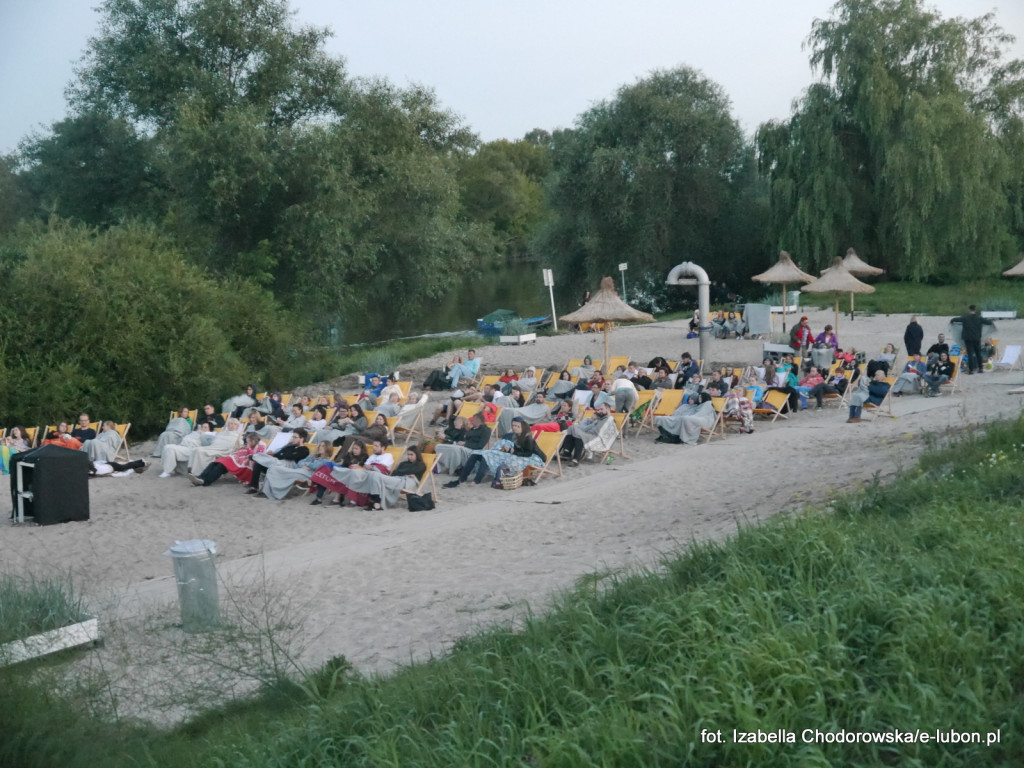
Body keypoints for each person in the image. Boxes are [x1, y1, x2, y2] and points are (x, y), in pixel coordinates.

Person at [444, 417, 545, 486]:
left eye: (517, 426)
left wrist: (512, 451)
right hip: (519, 454)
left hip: (534, 458)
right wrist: (510, 450)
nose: (515, 428)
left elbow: (528, 453)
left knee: (487, 456)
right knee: (477, 453)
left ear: (523, 427)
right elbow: (518, 449)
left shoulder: (528, 438)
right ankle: (462, 478)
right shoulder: (516, 436)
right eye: (513, 425)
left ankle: (477, 480)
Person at [260, 441, 336, 501]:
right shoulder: (313, 455)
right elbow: (299, 463)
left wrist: (306, 464)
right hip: (301, 470)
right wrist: (306, 464)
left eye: (323, 446)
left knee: (280, 471)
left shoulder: (326, 460)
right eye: (319, 445)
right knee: (276, 469)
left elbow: (315, 466)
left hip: (309, 475)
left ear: (327, 448)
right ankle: (270, 491)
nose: (320, 447)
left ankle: (273, 492)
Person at [189, 433, 266, 486]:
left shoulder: (261, 446)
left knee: (220, 466)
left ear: (253, 441)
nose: (247, 444)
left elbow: (255, 457)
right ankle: (200, 478)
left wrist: (248, 448)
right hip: (237, 460)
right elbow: (243, 451)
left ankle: (205, 482)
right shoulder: (252, 445)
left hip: (245, 465)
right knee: (215, 463)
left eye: (248, 442)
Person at [247, 429, 310, 496]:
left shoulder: (305, 449)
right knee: (258, 464)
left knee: (272, 465)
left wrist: (283, 454)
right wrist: (284, 452)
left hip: (288, 467)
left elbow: (291, 457)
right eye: (292, 437)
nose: (293, 439)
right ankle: (254, 487)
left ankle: (265, 492)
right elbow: (278, 455)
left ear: (302, 439)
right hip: (278, 463)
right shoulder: (290, 447)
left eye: (295, 437)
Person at [309, 440, 367, 505]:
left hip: (352, 475)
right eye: (353, 448)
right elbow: (344, 465)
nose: (354, 450)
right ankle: (318, 496)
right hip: (344, 471)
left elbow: (362, 468)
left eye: (356, 449)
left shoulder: (364, 457)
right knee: (327, 467)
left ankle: (314, 480)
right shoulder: (349, 455)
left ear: (361, 449)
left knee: (329, 470)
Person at [950, 305, 993, 374]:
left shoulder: (965, 318)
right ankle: (980, 368)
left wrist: (952, 321)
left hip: (968, 339)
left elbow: (956, 319)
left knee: (970, 354)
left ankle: (971, 370)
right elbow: (988, 322)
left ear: (969, 310)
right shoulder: (979, 318)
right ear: (975, 310)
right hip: (976, 338)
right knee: (978, 353)